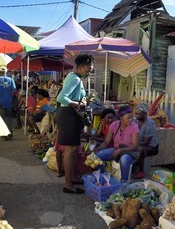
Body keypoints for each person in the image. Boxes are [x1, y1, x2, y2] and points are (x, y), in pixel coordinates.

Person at [56, 53, 94, 194]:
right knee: (70, 152)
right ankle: (68, 185)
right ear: (80, 66)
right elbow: (62, 98)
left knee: (71, 152)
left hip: (69, 116)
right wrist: (78, 103)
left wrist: (82, 101)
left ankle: (71, 178)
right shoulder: (75, 79)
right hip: (68, 116)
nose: (89, 72)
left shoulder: (73, 77)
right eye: (88, 69)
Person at [94, 106, 140, 181]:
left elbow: (135, 146)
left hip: (130, 152)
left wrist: (120, 150)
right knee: (95, 157)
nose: (130, 120)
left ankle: (124, 182)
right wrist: (98, 149)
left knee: (124, 159)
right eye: (128, 118)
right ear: (121, 117)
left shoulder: (134, 127)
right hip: (116, 149)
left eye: (131, 118)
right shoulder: (114, 125)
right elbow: (106, 142)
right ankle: (104, 176)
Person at [133, 103, 159, 179]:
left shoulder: (149, 124)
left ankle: (141, 171)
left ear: (145, 114)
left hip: (152, 147)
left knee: (140, 149)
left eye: (139, 114)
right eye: (136, 113)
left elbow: (146, 142)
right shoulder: (135, 121)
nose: (136, 115)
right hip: (139, 143)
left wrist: (134, 144)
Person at [0, 67, 16, 140]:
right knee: (9, 118)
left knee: (2, 119)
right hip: (9, 101)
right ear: (6, 72)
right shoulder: (11, 80)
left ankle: (4, 133)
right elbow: (14, 91)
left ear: (0, 72)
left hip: (1, 101)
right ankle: (10, 133)